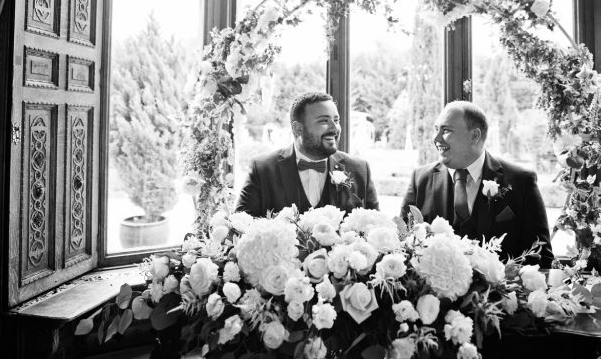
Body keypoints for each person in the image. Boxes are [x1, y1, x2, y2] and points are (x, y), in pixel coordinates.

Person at [400, 100, 553, 267]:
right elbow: (402, 247)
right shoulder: (420, 179)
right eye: (436, 130)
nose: (436, 139)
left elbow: (541, 257)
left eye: (446, 131)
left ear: (474, 136)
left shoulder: (521, 181)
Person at [235, 92, 379, 217]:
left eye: (336, 120)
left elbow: (376, 230)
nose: (335, 128)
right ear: (298, 129)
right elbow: (240, 231)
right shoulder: (262, 170)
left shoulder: (360, 170)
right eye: (324, 121)